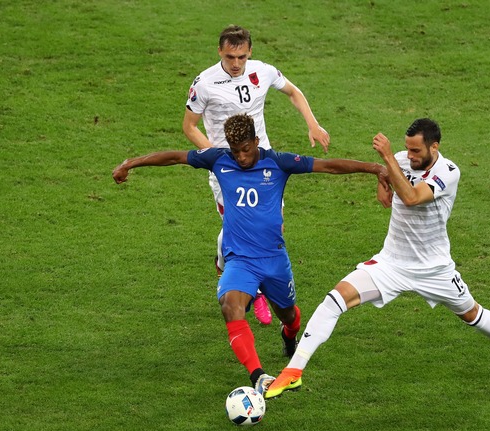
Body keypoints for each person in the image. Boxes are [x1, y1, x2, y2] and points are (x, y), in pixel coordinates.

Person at [112, 113, 387, 394]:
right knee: (230, 306)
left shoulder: (278, 162)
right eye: (235, 151)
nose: (241, 157)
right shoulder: (218, 159)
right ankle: (259, 376)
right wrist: (130, 163)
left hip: (273, 260)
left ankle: (288, 334)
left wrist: (375, 168)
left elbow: (328, 166)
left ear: (256, 141)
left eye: (245, 149)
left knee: (289, 316)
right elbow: (174, 157)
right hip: (240, 260)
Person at [266, 118, 490, 399]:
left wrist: (387, 159)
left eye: (416, 151)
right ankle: (293, 372)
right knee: (334, 300)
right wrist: (381, 180)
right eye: (407, 149)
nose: (410, 155)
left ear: (434, 147)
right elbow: (389, 174)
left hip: (434, 269)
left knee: (472, 314)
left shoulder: (448, 172)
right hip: (391, 264)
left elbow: (412, 197)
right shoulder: (401, 160)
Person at [182, 24, 330, 326]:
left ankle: (234, 269)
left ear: (250, 52)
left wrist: (313, 124)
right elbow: (189, 126)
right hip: (228, 172)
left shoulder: (263, 71)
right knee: (240, 227)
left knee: (273, 227)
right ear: (219, 52)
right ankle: (255, 290)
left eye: (242, 57)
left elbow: (293, 92)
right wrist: (218, 159)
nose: (236, 63)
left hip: (265, 168)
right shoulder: (205, 83)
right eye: (230, 57)